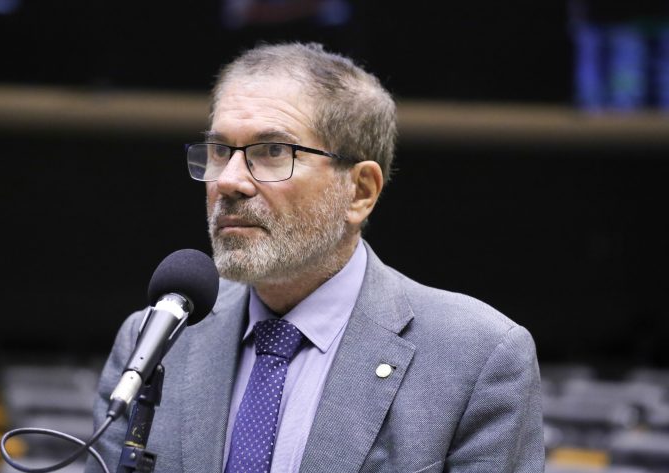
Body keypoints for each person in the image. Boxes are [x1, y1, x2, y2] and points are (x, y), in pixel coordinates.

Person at [86, 42, 544, 473]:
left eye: (272, 151)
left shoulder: (478, 358)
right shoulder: (156, 339)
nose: (228, 181)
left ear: (360, 192)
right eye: (221, 150)